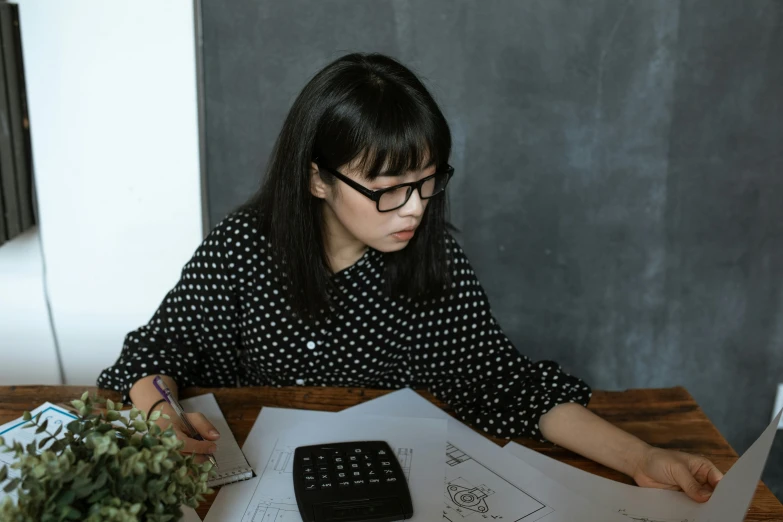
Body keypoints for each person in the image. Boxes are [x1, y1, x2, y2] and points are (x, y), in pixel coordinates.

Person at [97, 52, 723, 502]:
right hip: (238, 490)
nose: (416, 208)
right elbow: (154, 352)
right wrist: (156, 412)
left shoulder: (435, 265)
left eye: (428, 183)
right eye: (389, 189)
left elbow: (507, 384)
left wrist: (645, 458)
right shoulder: (244, 248)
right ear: (318, 178)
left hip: (378, 490)